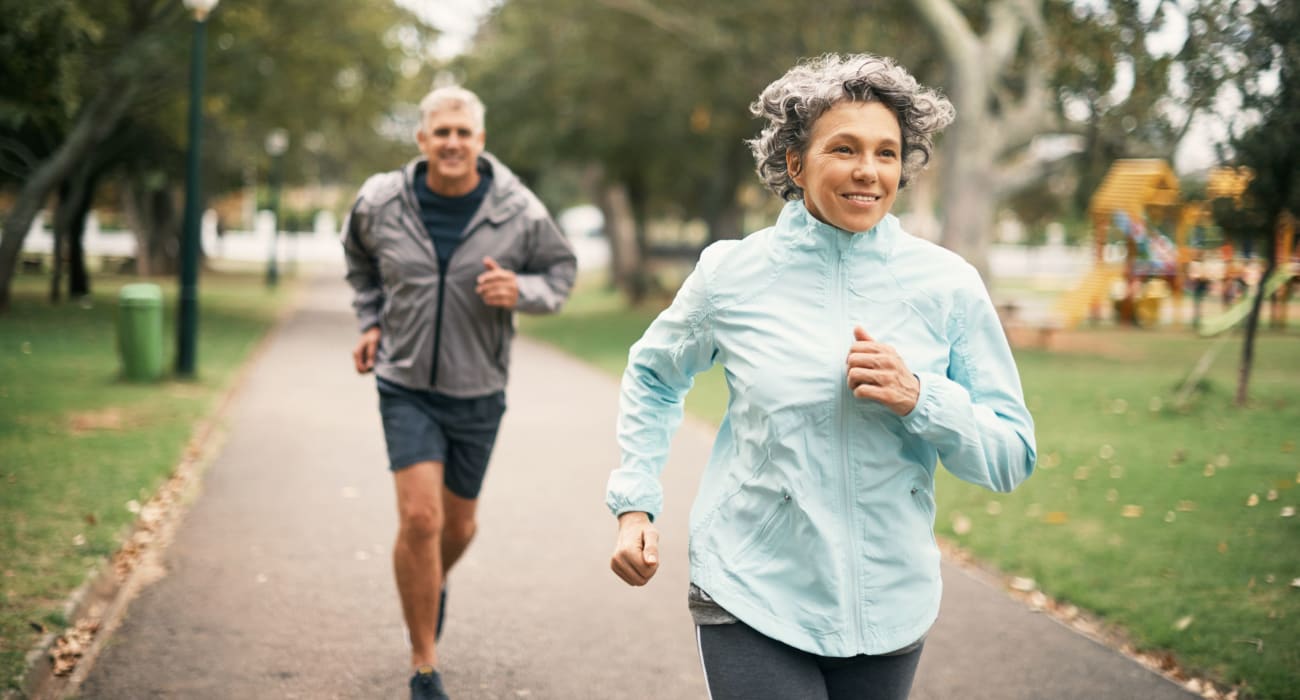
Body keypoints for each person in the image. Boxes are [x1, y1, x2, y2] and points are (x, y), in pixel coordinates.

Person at [606, 54, 1036, 700]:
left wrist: (922, 398)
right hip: (751, 586)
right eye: (845, 148)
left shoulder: (948, 285)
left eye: (887, 153)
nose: (868, 171)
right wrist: (635, 502)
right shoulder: (733, 276)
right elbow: (653, 374)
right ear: (795, 164)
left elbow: (1011, 456)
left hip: (891, 602)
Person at [343, 85, 576, 700]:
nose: (452, 142)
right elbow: (360, 262)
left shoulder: (518, 209)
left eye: (463, 133)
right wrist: (370, 320)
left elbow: (560, 272)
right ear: (421, 139)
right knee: (420, 518)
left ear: (480, 140)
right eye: (440, 132)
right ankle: (425, 662)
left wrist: (519, 292)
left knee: (460, 527)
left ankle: (425, 585)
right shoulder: (380, 201)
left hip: (480, 386)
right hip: (405, 381)